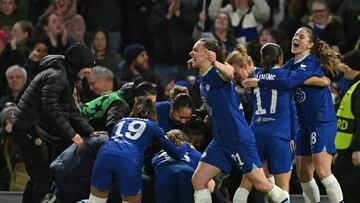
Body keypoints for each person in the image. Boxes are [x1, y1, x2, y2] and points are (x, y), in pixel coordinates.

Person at [243, 26, 346, 203]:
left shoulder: (311, 62)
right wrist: (319, 81)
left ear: (310, 45)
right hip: (303, 125)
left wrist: (259, 82)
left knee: (323, 171)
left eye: (302, 36)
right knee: (303, 175)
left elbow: (288, 81)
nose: (296, 37)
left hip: (320, 121)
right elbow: (279, 76)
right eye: (295, 34)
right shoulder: (291, 64)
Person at [189, 38, 289, 203]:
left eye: (195, 50)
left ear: (209, 54)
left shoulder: (217, 73)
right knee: (198, 180)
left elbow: (229, 73)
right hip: (221, 141)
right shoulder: (204, 79)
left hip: (238, 139)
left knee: (262, 184)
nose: (191, 53)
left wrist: (215, 62)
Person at [10, 43, 100, 203]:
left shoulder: (66, 75)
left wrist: (89, 131)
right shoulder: (57, 76)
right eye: (87, 66)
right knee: (43, 176)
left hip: (32, 126)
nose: (89, 71)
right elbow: (51, 109)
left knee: (39, 176)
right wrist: (72, 134)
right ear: (77, 64)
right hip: (28, 127)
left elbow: (71, 110)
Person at [86, 97, 189, 203]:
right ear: (154, 113)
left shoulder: (121, 121)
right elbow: (176, 153)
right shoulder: (153, 125)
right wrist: (185, 145)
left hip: (104, 155)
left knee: (95, 201)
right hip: (129, 159)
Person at [333, 49, 360, 203]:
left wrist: (358, 149)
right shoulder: (354, 86)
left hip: (353, 151)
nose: (343, 69)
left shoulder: (358, 88)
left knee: (349, 190)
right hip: (346, 150)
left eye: (345, 66)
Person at [152, 129, 203, 203]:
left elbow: (151, 171)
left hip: (164, 174)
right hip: (188, 171)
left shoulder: (157, 154)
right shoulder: (195, 153)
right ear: (186, 140)